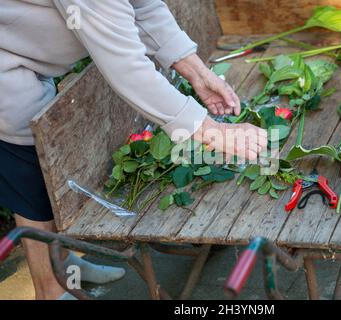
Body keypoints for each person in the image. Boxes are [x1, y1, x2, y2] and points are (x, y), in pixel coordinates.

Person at [0, 0, 267, 300]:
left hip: (26, 57)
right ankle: (50, 289)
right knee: (29, 169)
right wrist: (210, 131)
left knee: (44, 170)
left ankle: (61, 264)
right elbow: (126, 67)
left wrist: (197, 72)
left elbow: (144, 6)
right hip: (7, 69)